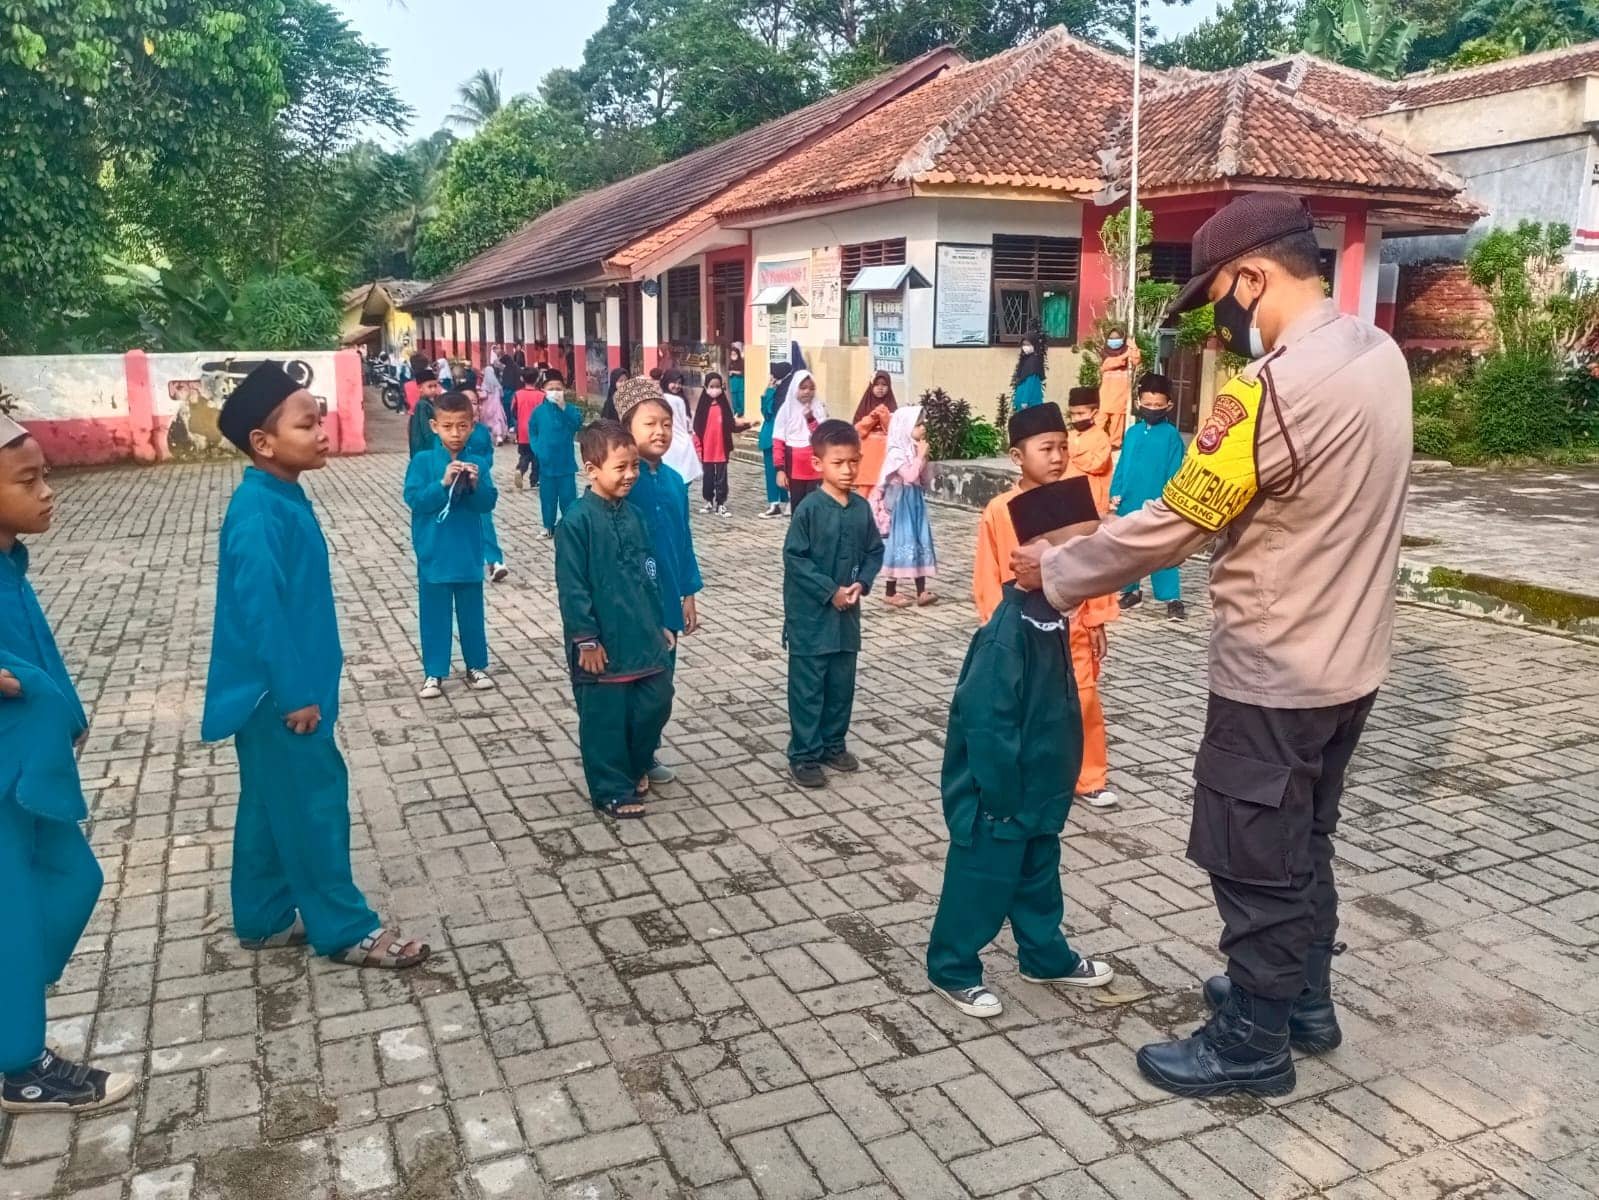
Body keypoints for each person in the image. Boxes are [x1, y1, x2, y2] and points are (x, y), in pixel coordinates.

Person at [1011, 191, 1412, 1098]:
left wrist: (1062, 568)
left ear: (1248, 277)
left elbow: (1176, 525)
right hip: (1351, 666)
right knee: (1303, 839)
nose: (1218, 325)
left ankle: (1251, 1043)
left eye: (1216, 302)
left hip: (1276, 669)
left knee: (1250, 852)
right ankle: (1301, 998)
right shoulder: (1376, 354)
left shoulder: (1270, 389)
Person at [205, 363, 431, 975]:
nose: (322, 431)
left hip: (282, 691)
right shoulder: (257, 512)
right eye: (307, 424)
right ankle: (346, 929)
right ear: (263, 442)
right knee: (315, 804)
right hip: (278, 697)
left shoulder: (279, 496)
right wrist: (295, 693)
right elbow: (260, 613)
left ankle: (262, 916)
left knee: (266, 803)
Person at [927, 476, 1116, 1019]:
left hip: (1040, 789)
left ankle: (1043, 954)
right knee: (980, 881)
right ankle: (953, 966)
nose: (1091, 569)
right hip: (999, 796)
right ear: (1037, 558)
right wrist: (1000, 794)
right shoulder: (1008, 633)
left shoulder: (1053, 620)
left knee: (1038, 875)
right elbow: (986, 721)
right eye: (1081, 553)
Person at [0, 414, 137, 1114]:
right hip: (4, 782)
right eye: (29, 481)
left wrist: (67, 715)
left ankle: (10, 995)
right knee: (15, 916)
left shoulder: (9, 565)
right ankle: (19, 1066)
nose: (48, 492)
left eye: (44, 475)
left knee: (76, 879)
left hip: (33, 773)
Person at [974, 404, 1120, 811]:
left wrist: (1096, 619)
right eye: (1045, 448)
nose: (1057, 457)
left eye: (1062, 447)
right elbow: (989, 571)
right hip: (1020, 621)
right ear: (1018, 457)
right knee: (1022, 700)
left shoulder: (1079, 500)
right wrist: (994, 624)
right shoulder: (999, 509)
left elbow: (1095, 563)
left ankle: (1089, 776)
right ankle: (1025, 775)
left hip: (1072, 622)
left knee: (1084, 698)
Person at [555, 420, 676, 821]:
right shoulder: (576, 522)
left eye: (635, 467)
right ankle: (610, 789)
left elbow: (649, 572)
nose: (630, 475)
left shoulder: (636, 516)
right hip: (602, 645)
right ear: (592, 470)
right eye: (620, 468)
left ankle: (637, 764)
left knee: (655, 704)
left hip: (643, 636)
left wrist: (659, 622)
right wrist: (585, 639)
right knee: (604, 721)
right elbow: (573, 587)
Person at [783, 420, 884, 790]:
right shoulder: (809, 509)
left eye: (854, 462)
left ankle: (832, 744)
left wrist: (862, 582)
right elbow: (795, 559)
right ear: (817, 464)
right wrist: (831, 590)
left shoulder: (860, 508)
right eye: (838, 463)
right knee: (808, 688)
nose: (848, 470)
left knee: (841, 685)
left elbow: (875, 550)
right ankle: (804, 754)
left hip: (846, 621)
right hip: (810, 619)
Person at [616, 375, 703, 788]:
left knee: (662, 685)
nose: (660, 432)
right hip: (633, 604)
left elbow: (683, 539)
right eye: (649, 423)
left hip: (668, 597)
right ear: (627, 428)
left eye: (666, 424)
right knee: (636, 687)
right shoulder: (621, 485)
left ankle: (646, 753)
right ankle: (628, 762)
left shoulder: (672, 480)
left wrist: (688, 592)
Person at [405, 390, 501, 700]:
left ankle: (476, 666)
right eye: (448, 426)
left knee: (472, 612)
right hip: (434, 551)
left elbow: (487, 504)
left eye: (462, 426)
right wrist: (442, 483)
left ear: (472, 426)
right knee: (434, 614)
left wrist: (473, 486)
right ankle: (434, 671)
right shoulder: (422, 462)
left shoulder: (477, 463)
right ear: (435, 426)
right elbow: (415, 500)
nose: (455, 433)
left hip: (468, 551)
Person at [1112, 374, 1187, 619]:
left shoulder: (1171, 436)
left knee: (1163, 549)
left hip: (1159, 502)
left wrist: (1170, 502)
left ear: (1169, 406)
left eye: (1157, 405)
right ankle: (1131, 591)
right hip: (1129, 501)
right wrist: (1115, 492)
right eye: (1147, 404)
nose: (1152, 409)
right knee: (1128, 549)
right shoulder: (1132, 433)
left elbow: (1175, 470)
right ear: (1138, 402)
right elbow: (1123, 465)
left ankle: (1172, 597)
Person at [873, 406, 937, 608]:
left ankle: (921, 590)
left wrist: (923, 458)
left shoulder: (914, 448)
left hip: (915, 501)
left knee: (919, 539)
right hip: (901, 504)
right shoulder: (896, 452)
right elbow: (909, 476)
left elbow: (923, 478)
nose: (923, 427)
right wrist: (919, 457)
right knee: (901, 541)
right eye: (918, 424)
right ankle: (890, 591)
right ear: (905, 427)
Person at [461, 388, 509, 584]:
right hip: (459, 479)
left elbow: (489, 453)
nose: (472, 406)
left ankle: (495, 561)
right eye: (466, 402)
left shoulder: (482, 430)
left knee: (485, 521)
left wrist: (482, 465)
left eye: (474, 402)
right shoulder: (455, 431)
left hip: (481, 479)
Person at [528, 372, 583, 539]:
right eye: (551, 388)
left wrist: (564, 408)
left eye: (558, 389)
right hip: (546, 465)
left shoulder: (570, 410)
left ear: (564, 390)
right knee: (548, 499)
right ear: (544, 390)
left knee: (568, 499)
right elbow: (532, 431)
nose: (554, 392)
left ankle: (570, 527)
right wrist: (538, 450)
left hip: (566, 464)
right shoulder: (538, 412)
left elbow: (577, 425)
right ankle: (548, 526)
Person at [692, 371, 750, 516]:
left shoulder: (724, 406)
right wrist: (698, 448)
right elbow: (697, 428)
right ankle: (708, 501)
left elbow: (732, 426)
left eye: (717, 386)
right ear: (705, 387)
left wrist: (747, 425)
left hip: (722, 449)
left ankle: (721, 503)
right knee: (708, 477)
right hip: (707, 449)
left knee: (722, 479)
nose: (714, 389)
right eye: (711, 386)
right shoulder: (702, 407)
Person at [772, 369, 828, 508]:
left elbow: (822, 437)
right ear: (794, 388)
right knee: (798, 507)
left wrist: (810, 419)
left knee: (815, 507)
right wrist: (780, 470)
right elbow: (778, 441)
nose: (807, 392)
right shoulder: (786, 410)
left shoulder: (819, 408)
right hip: (795, 467)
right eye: (803, 388)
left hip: (816, 468)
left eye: (811, 388)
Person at [1064, 387, 1114, 517]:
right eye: (1072, 414)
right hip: (1069, 496)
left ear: (1095, 413)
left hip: (1093, 500)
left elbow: (1097, 465)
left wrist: (1073, 452)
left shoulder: (1101, 437)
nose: (1075, 419)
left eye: (1080, 414)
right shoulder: (1069, 436)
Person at [852, 372, 897, 498]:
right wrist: (872, 418)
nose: (880, 387)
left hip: (884, 457)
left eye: (884, 384)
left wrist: (885, 417)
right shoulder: (864, 406)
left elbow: (896, 433)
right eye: (877, 384)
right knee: (864, 495)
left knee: (882, 494)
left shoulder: (892, 407)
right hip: (867, 457)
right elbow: (856, 432)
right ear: (871, 387)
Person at [758, 362, 793, 518]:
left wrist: (769, 389)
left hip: (776, 437)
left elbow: (767, 411)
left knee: (776, 472)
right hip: (774, 437)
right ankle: (783, 502)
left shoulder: (780, 393)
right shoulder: (782, 390)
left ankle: (777, 503)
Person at [658, 370, 704, 487]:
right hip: (680, 443)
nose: (677, 386)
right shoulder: (673, 399)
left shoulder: (670, 398)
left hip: (676, 443)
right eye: (674, 382)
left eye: (679, 383)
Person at [1097, 328, 1139, 449]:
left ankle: (1115, 443)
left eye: (1117, 338)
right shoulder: (1104, 353)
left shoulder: (1127, 352)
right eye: (1111, 338)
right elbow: (1108, 364)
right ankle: (1094, 440)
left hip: (1121, 393)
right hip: (1106, 394)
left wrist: (1133, 346)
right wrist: (1125, 355)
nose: (1114, 340)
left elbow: (1136, 360)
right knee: (1100, 420)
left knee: (1117, 421)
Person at [511, 371, 545, 491]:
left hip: (522, 430)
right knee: (537, 457)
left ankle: (520, 470)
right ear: (536, 379)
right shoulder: (541, 395)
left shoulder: (517, 394)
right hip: (537, 431)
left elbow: (513, 412)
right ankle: (534, 481)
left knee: (525, 455)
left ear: (522, 379)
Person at [406, 369, 443, 456]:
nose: (433, 389)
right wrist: (435, 446)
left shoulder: (431, 403)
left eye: (435, 386)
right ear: (420, 388)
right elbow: (427, 431)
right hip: (425, 449)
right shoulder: (422, 405)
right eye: (430, 387)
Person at [1010, 327, 1046, 411]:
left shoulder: (1034, 361)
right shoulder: (1025, 359)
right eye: (1024, 344)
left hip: (1029, 403)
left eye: (1028, 344)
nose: (1025, 347)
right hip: (1023, 402)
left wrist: (1025, 400)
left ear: (1034, 344)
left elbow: (1031, 382)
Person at [480, 358, 509, 445]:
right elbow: (501, 395)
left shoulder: (485, 384)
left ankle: (489, 438)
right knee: (498, 421)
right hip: (497, 406)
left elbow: (484, 395)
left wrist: (478, 394)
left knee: (488, 422)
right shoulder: (497, 385)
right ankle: (499, 437)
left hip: (487, 406)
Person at [727, 342, 746, 418]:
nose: (733, 356)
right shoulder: (731, 363)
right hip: (733, 384)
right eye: (732, 354)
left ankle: (741, 412)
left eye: (735, 354)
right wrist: (730, 373)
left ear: (738, 354)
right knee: (734, 400)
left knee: (740, 399)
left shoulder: (741, 363)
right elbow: (729, 372)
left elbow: (742, 372)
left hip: (740, 384)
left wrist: (734, 372)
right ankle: (735, 412)